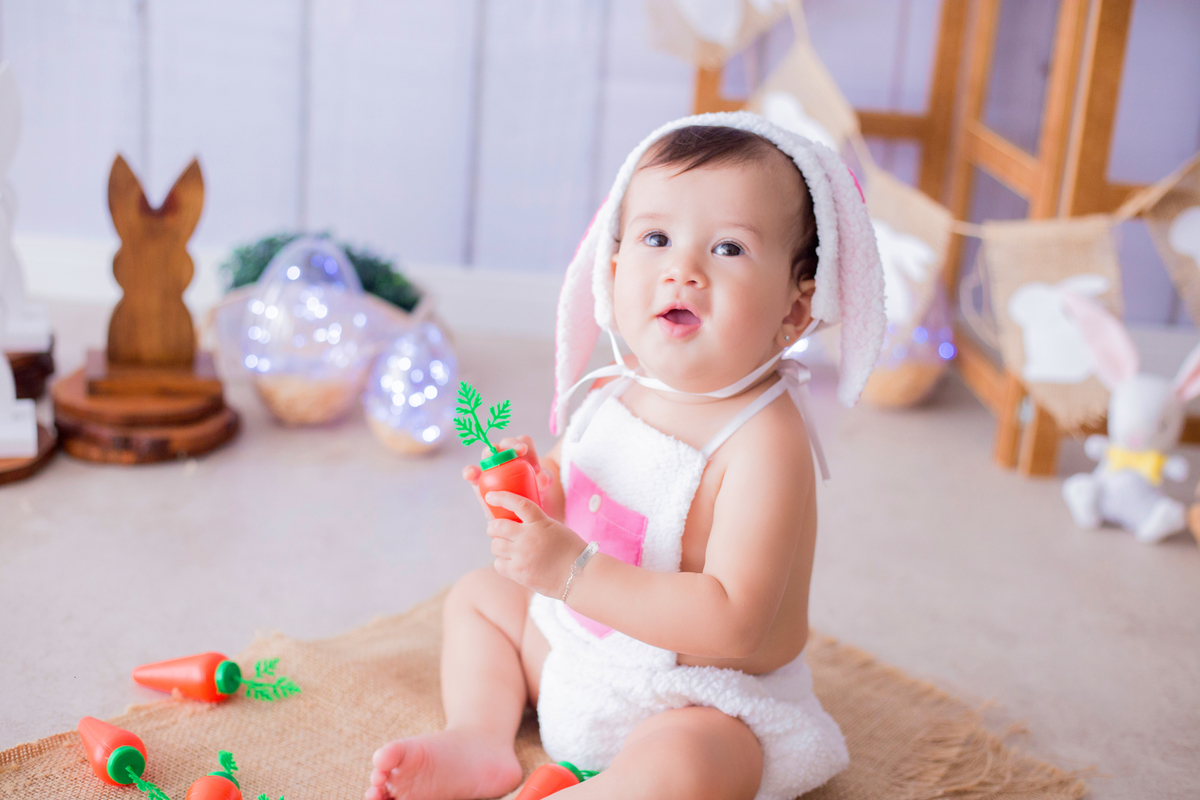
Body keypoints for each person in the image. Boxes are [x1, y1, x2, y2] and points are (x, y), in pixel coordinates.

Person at [366, 111, 885, 800]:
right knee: (481, 601)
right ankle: (480, 739)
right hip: (582, 652)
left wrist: (571, 569)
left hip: (694, 693)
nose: (683, 270)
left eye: (728, 248)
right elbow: (579, 500)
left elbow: (734, 620)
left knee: (695, 763)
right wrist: (538, 500)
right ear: (612, 272)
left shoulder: (765, 441)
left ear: (794, 311)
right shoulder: (614, 387)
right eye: (657, 238)